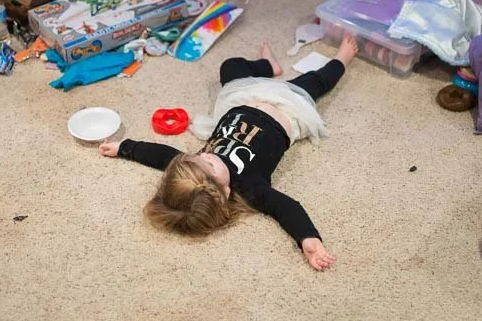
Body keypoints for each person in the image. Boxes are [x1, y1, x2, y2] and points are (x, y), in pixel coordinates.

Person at [99, 37, 359, 271]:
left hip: (242, 100)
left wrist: (126, 148)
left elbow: (161, 155)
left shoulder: (192, 169)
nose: (206, 156)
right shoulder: (250, 188)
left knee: (230, 65)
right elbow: (286, 208)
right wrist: (307, 238)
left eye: (198, 157)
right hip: (289, 108)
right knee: (317, 81)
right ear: (223, 192)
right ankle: (343, 57)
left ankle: (268, 67)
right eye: (210, 166)